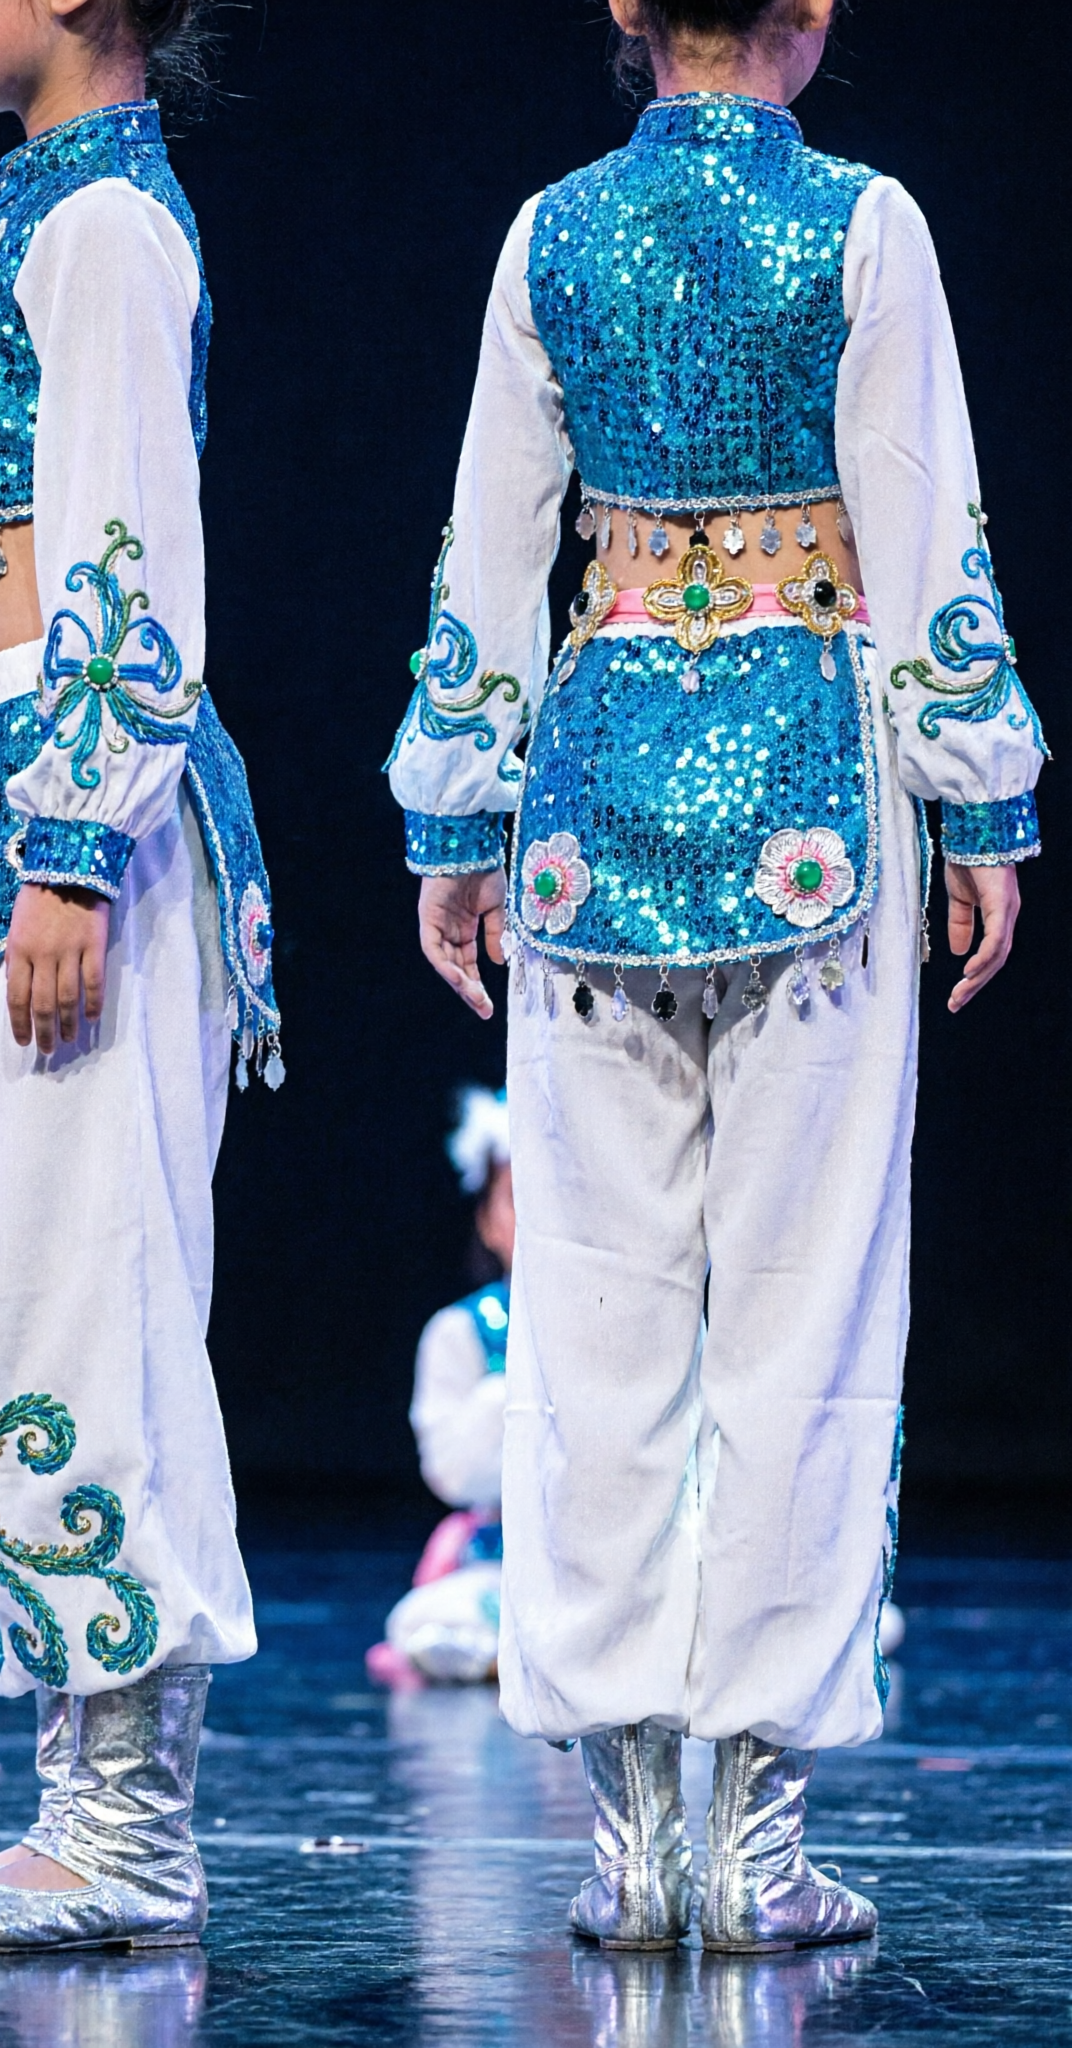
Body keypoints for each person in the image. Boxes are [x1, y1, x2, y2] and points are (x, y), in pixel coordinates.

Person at [387, 0, 1040, 1956]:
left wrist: (455, 815)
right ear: (811, 15)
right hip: (812, 800)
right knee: (798, 1309)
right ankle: (745, 1841)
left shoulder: (547, 232)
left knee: (590, 1316)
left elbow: (487, 545)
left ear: (618, 12)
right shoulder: (863, 222)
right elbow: (921, 524)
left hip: (592, 799)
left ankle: (627, 1840)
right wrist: (982, 791)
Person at [0, 0, 281, 1957]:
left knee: (84, 1299)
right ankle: (70, 1802)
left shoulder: (104, 225)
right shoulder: (32, 215)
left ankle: (129, 1823)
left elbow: (126, 549)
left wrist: (75, 835)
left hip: (61, 806)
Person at [368, 1087, 516, 1687]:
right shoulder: (462, 1332)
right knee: (428, 1621)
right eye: (514, 1198)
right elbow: (453, 1474)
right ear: (487, 1219)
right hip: (506, 1567)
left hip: (620, 1561)